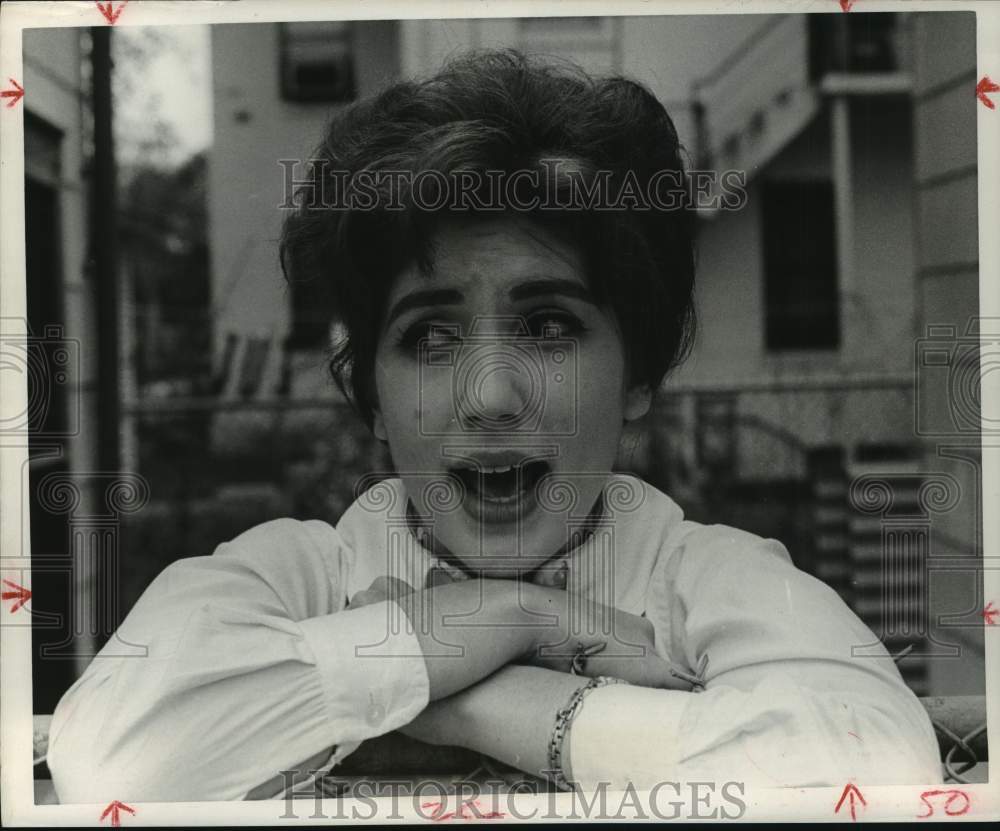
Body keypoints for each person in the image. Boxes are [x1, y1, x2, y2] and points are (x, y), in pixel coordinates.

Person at [47, 49, 941, 803]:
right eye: (429, 334)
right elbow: (112, 757)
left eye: (550, 324)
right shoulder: (293, 578)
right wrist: (519, 613)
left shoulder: (708, 584)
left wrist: (471, 696)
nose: (489, 396)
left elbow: (880, 772)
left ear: (637, 371)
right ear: (375, 392)